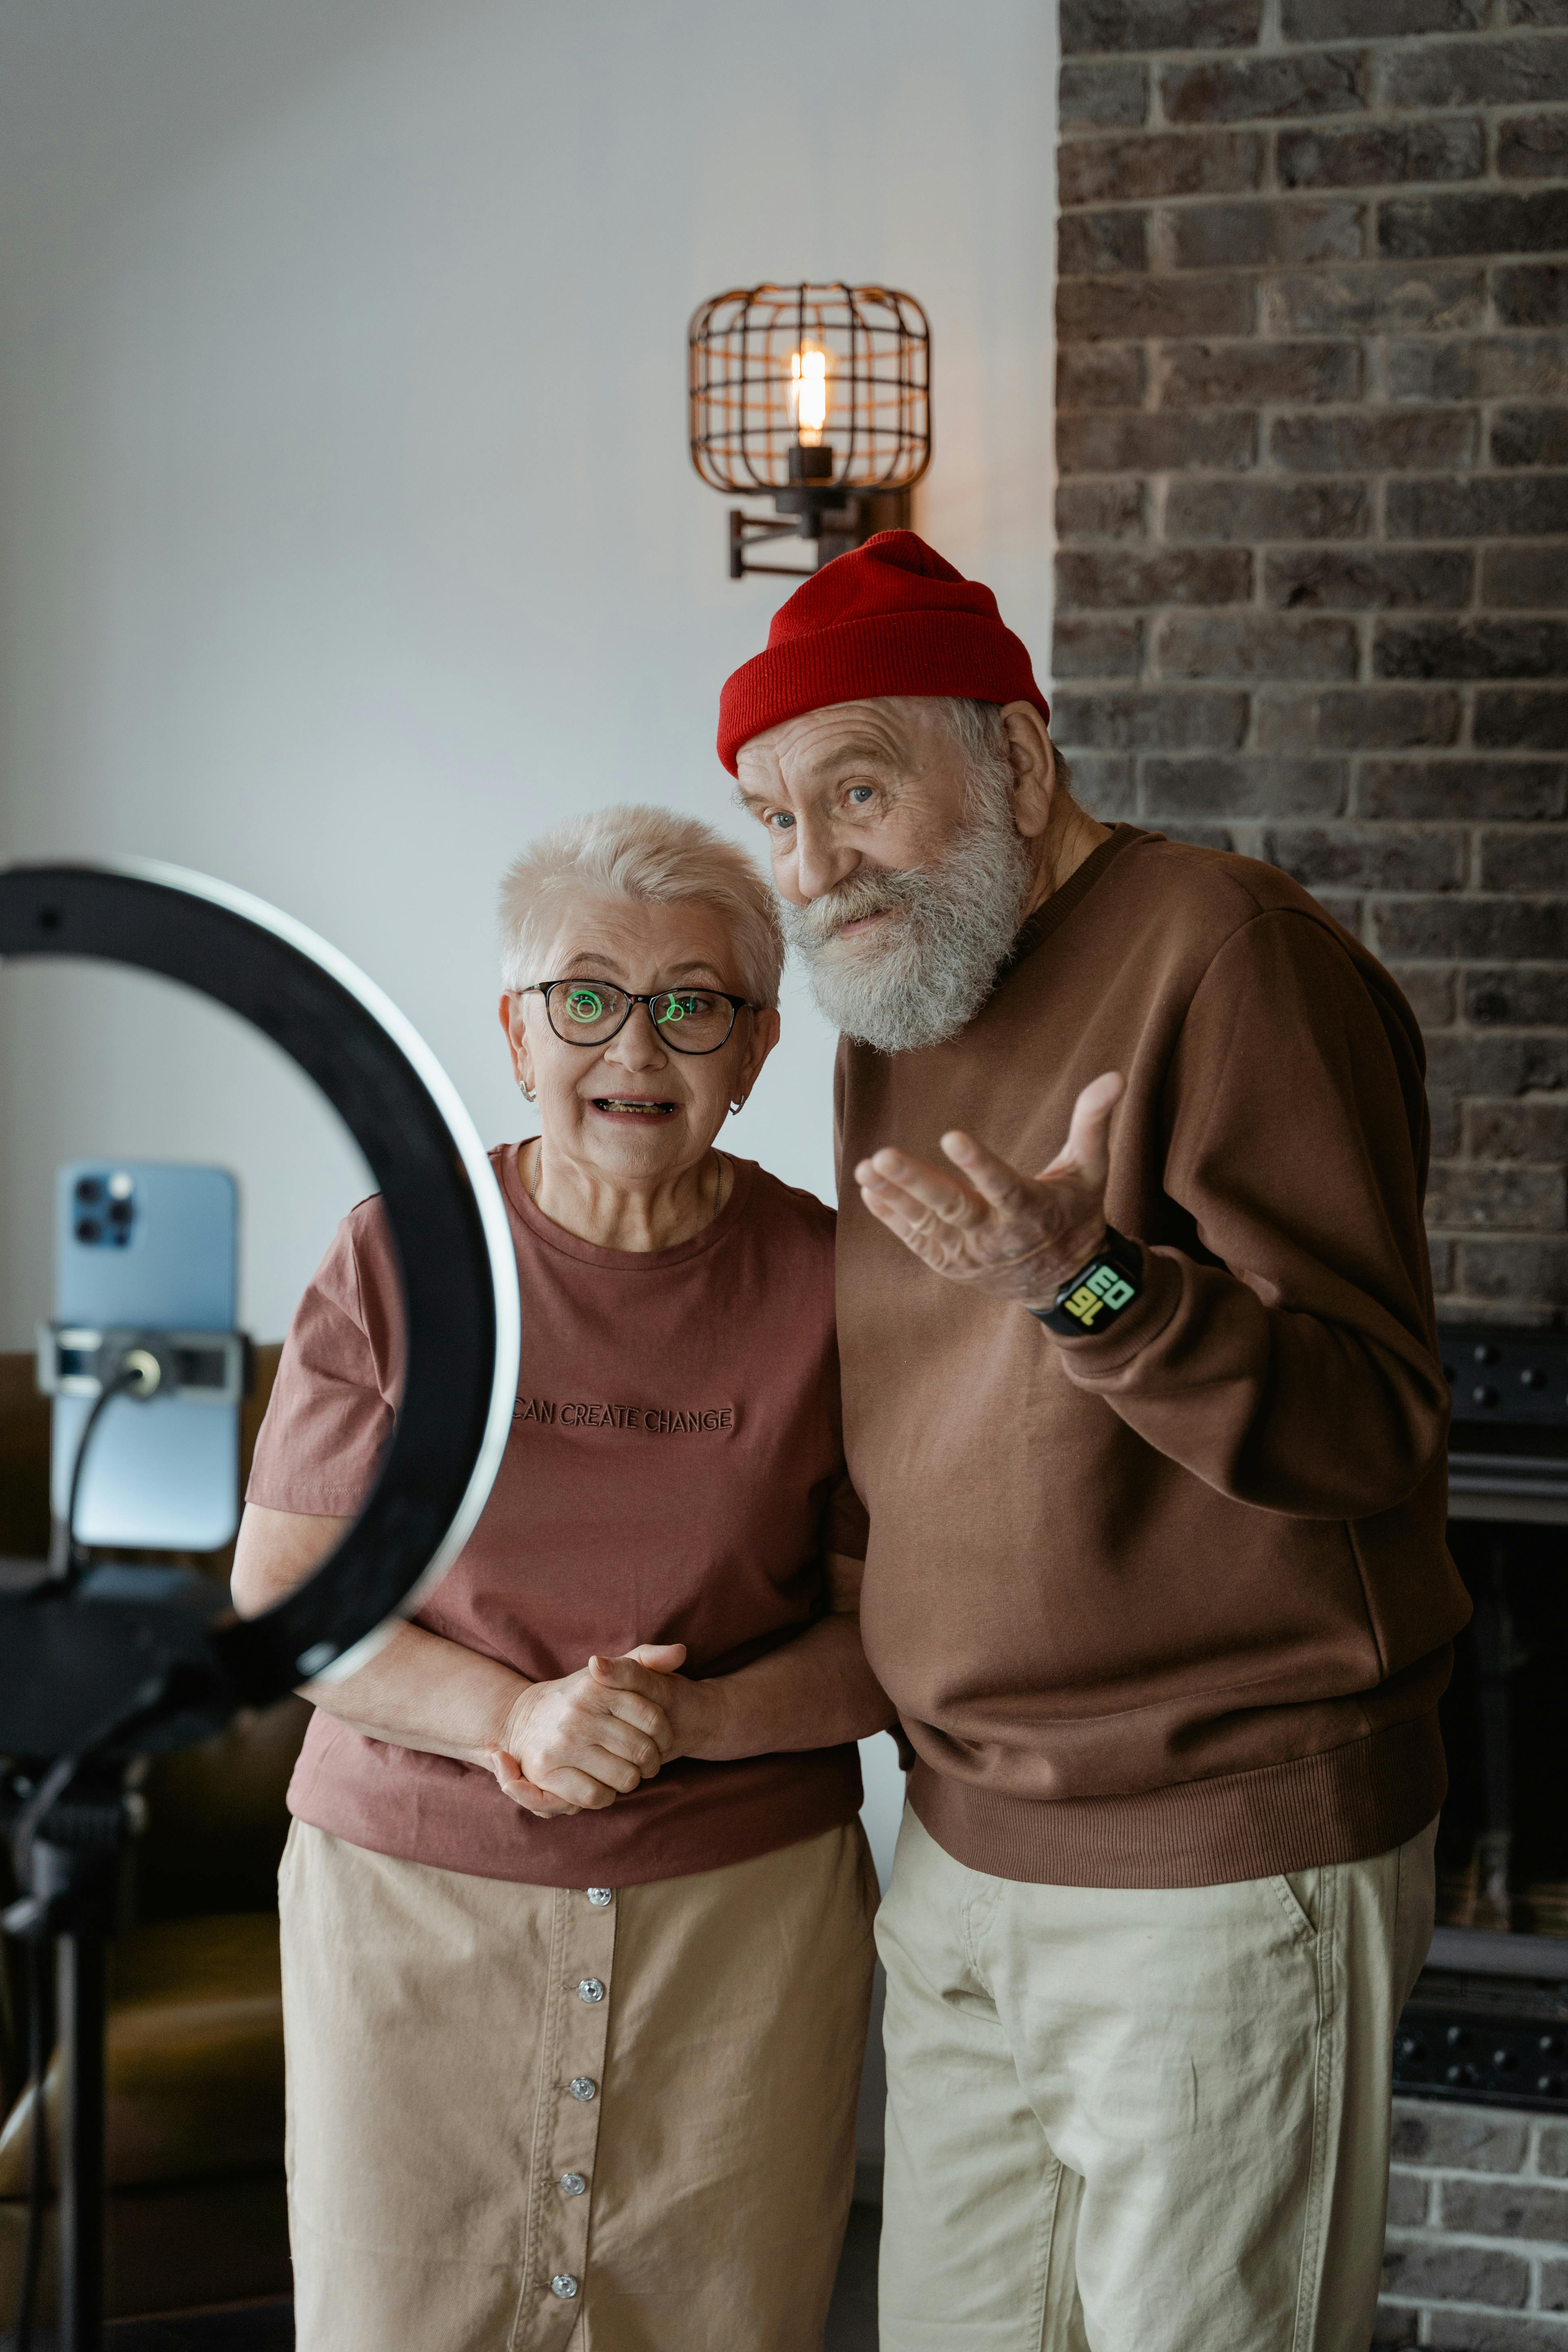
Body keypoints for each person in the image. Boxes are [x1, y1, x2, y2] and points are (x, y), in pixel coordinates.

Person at [720, 531, 1471, 2352]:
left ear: (1019, 762)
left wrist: (1092, 1291)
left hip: (1216, 1874)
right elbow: (913, 1427)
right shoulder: (896, 1006)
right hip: (961, 1857)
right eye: (773, 817)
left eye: (860, 790)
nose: (813, 870)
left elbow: (1369, 1423)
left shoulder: (1227, 953)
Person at [231, 804, 892, 2352]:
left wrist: (692, 1724)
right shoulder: (403, 1254)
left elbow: (892, 1638)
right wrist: (514, 1721)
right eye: (587, 998)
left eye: (694, 1004)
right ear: (518, 1031)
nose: (636, 1047)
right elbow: (287, 1594)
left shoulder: (840, 1283)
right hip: (411, 1909)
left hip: (742, 1930)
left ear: (759, 1048)